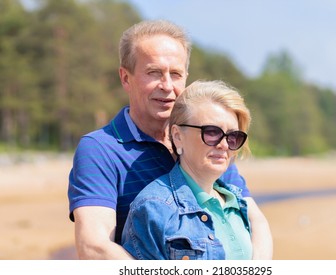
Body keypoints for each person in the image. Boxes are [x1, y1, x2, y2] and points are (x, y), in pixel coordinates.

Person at [68, 19, 272, 260]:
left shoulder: (206, 140)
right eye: (153, 73)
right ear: (125, 78)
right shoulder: (101, 148)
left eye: (175, 74)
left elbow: (253, 218)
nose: (167, 86)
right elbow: (93, 248)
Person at [122, 80, 253, 260]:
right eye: (212, 132)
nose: (224, 145)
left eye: (233, 136)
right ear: (177, 136)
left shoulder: (236, 202)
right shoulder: (153, 208)